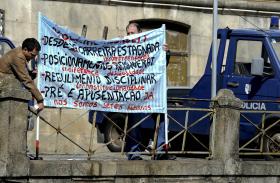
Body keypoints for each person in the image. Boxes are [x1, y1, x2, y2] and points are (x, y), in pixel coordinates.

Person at [125, 22, 175, 160]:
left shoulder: (150, 46)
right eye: (128, 33)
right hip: (134, 92)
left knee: (162, 118)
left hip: (152, 91)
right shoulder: (124, 48)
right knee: (134, 122)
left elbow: (161, 65)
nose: (130, 36)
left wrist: (166, 53)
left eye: (132, 33)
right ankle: (133, 153)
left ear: (140, 34)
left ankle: (159, 150)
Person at [0, 38, 44, 112]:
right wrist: (40, 99)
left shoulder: (19, 52)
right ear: (25, 49)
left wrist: (30, 74)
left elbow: (18, 73)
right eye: (32, 55)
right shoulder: (18, 56)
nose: (33, 57)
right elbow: (25, 80)